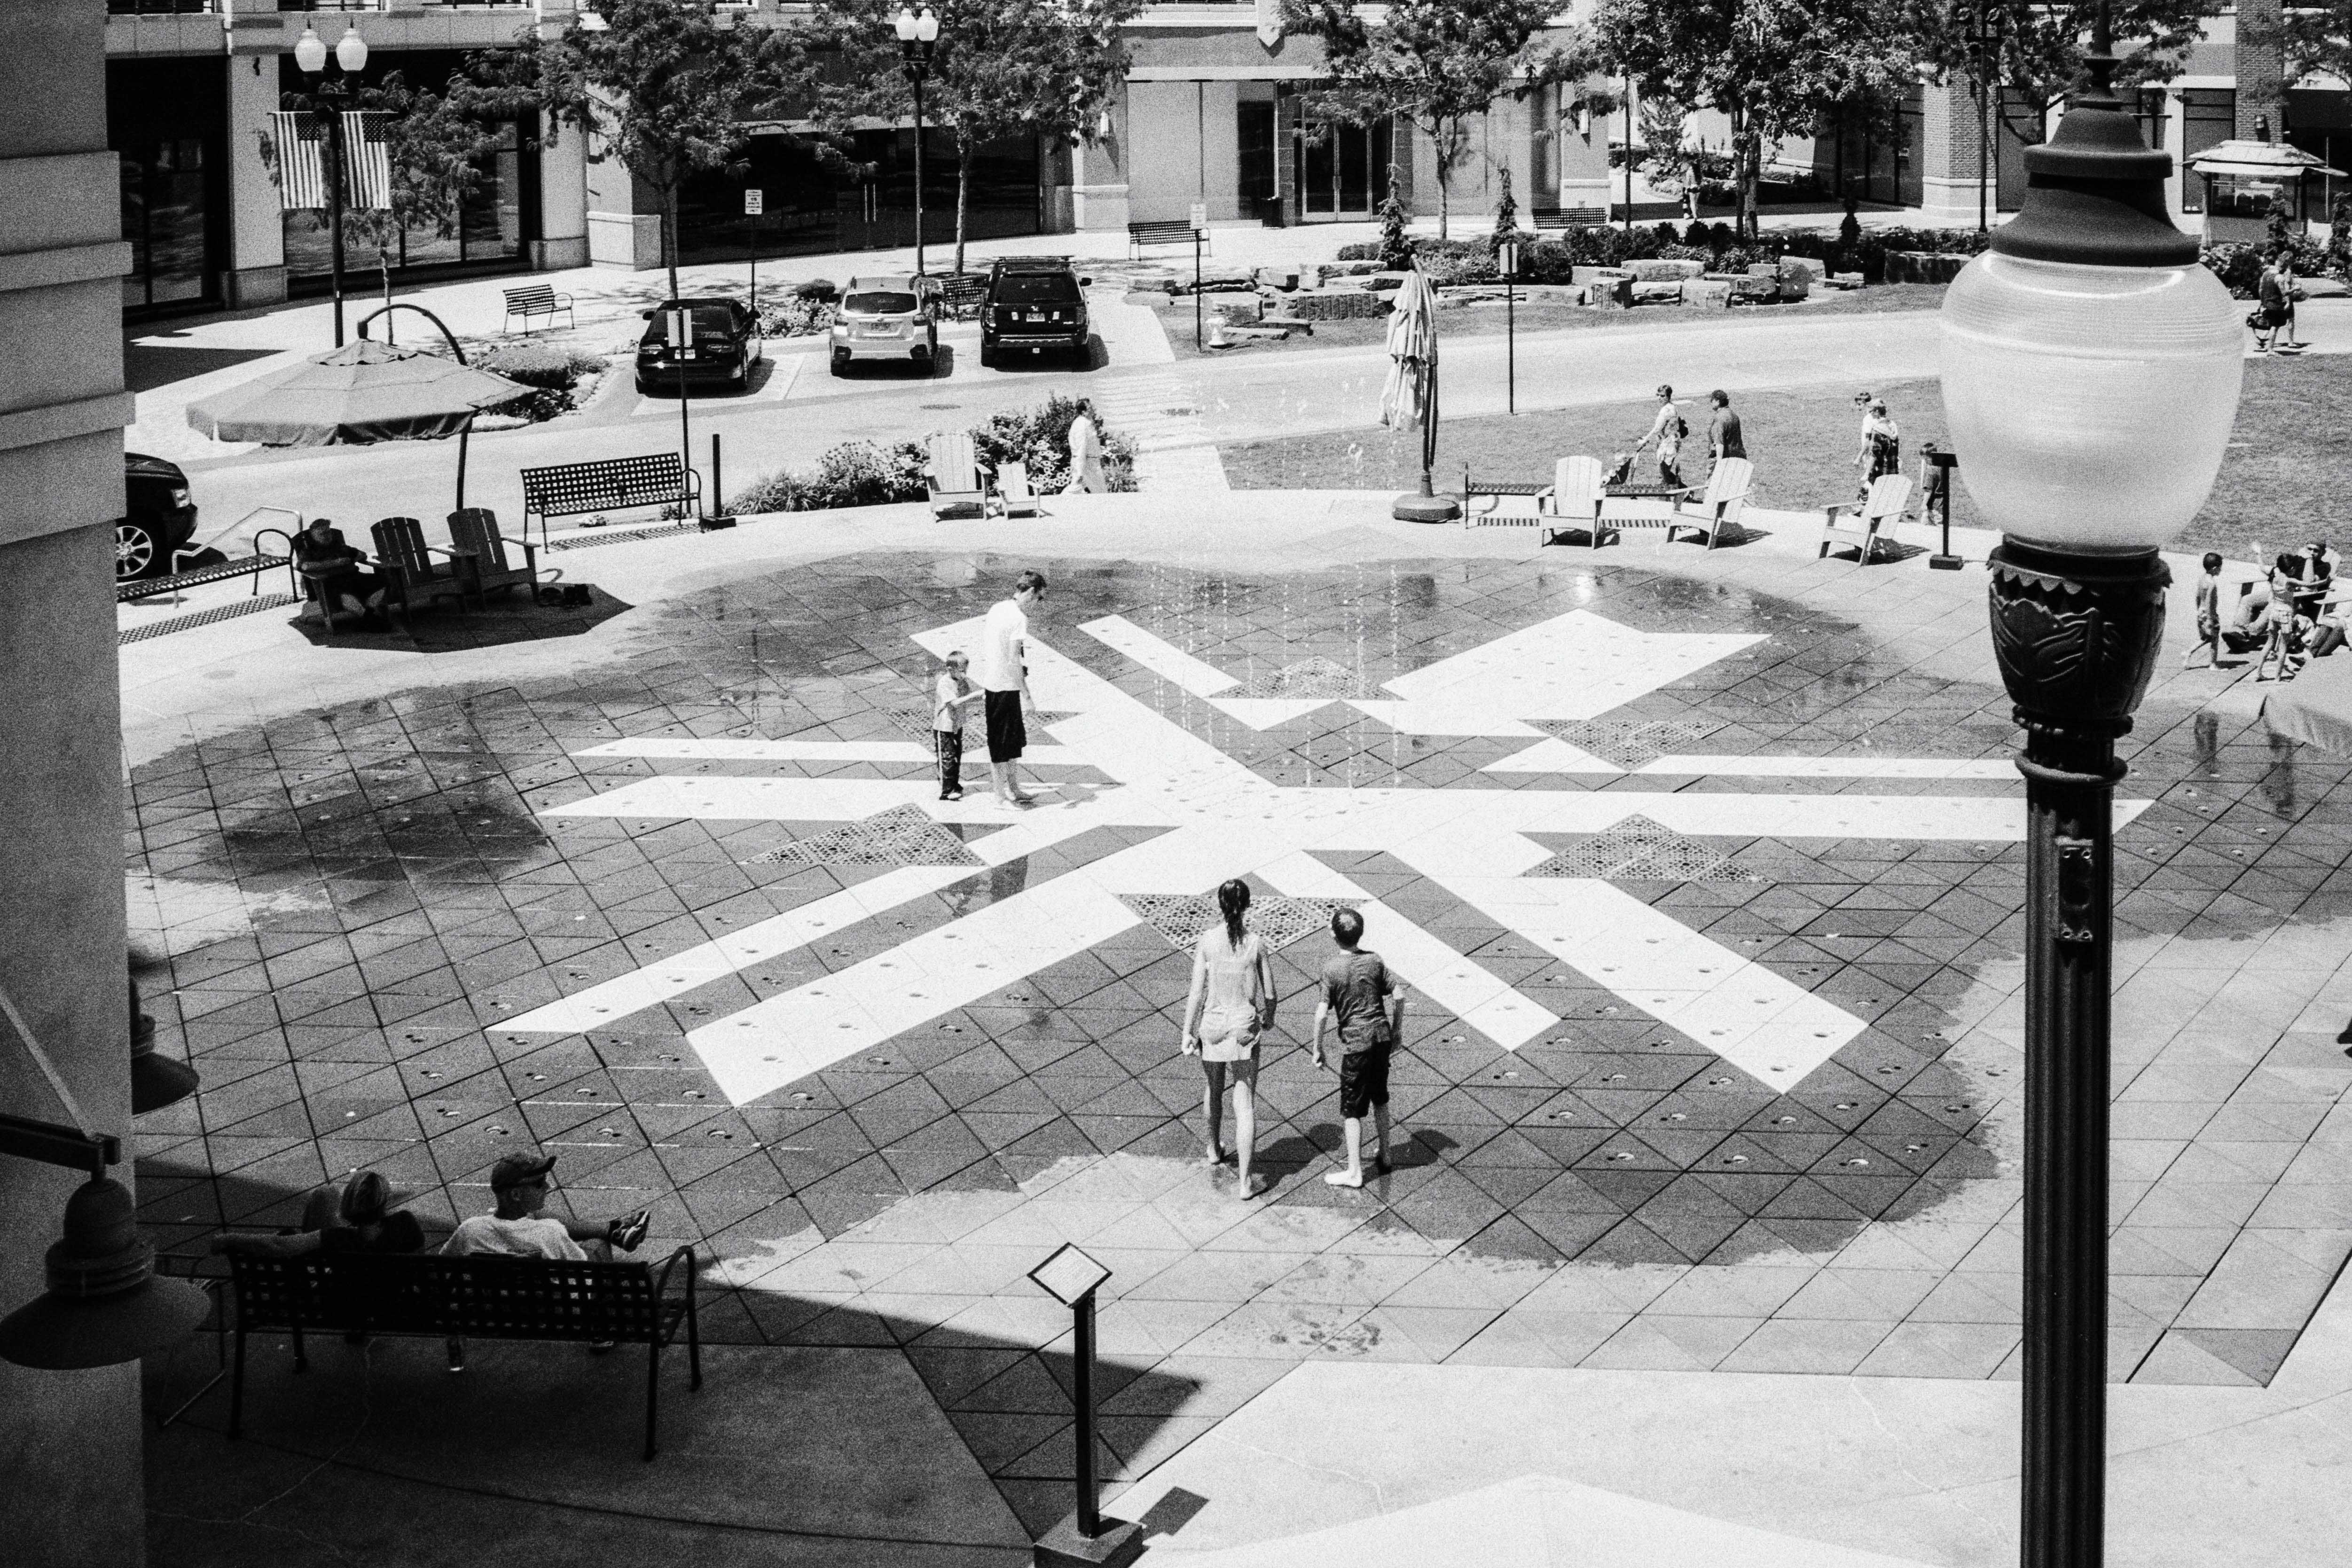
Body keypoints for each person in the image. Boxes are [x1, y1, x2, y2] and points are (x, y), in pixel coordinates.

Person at [1178, 879, 1279, 1200]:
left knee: (1213, 1089)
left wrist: (1187, 1032)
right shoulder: (1256, 944)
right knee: (1244, 1103)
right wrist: (1269, 1016)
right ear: (1247, 906)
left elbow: (1197, 991)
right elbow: (1271, 993)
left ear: (1220, 906)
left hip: (1213, 1025)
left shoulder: (1207, 941)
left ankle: (1213, 1147)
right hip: (1243, 1028)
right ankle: (1246, 1184)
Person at [1311, 907, 1407, 1189]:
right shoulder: (1374, 961)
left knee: (1352, 1109)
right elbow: (1399, 996)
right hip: (1381, 1037)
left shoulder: (1331, 969)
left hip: (1356, 1044)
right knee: (1380, 1096)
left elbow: (1321, 1014)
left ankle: (1354, 1172)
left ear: (1333, 935)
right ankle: (1386, 1154)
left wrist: (1317, 1048)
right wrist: (1397, 1030)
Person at [442, 1153, 650, 1262]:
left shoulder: (469, 1230)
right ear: (516, 1194)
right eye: (539, 1184)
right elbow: (584, 1280)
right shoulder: (550, 1231)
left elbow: (443, 1265)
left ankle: (616, 1230)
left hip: (491, 1314)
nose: (548, 1187)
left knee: (536, 1216)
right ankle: (601, 1330)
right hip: (555, 1314)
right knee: (596, 1245)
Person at [211, 1168, 425, 1258]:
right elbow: (422, 1265)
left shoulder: (335, 1238)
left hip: (346, 1306)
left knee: (326, 1193)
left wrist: (229, 1238)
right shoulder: (405, 1223)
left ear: (349, 1204)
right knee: (327, 1195)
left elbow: (279, 1247)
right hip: (392, 1304)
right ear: (383, 1203)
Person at [979, 570, 1048, 809]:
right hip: (1004, 688)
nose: (1039, 603)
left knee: (1012, 742)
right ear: (1030, 592)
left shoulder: (998, 608)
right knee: (1001, 745)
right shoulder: (1019, 618)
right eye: (1040, 597)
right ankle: (1000, 796)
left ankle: (1014, 788)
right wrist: (1027, 696)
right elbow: (1013, 661)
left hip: (994, 683)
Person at [290, 517, 387, 628]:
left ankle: (368, 616)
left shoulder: (339, 546)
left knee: (382, 581)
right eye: (322, 534)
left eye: (328, 532)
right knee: (343, 593)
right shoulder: (309, 551)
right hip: (330, 582)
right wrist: (334, 563)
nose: (327, 536)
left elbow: (362, 554)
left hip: (353, 577)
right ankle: (370, 620)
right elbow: (304, 566)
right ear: (314, 536)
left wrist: (353, 559)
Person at [933, 649, 982, 802]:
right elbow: (954, 703)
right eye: (961, 671)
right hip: (944, 727)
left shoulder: (961, 681)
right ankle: (946, 791)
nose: (964, 674)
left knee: (956, 756)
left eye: (965, 671)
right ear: (950, 669)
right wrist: (977, 695)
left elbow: (967, 698)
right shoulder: (944, 683)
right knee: (947, 757)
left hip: (956, 725)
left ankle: (953, 783)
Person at [1631, 384, 1686, 488]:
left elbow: (1657, 428)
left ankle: (1684, 491)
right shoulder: (1672, 407)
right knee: (1664, 472)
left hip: (1668, 445)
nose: (1659, 398)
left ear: (1668, 396)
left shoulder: (1666, 410)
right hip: (1671, 443)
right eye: (1658, 395)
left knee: (1663, 473)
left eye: (1662, 396)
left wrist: (1645, 439)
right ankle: (1674, 493)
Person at [2184, 552, 2225, 668]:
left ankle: (2189, 652)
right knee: (2215, 640)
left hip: (2201, 612)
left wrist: (2199, 611)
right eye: (2220, 568)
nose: (2221, 570)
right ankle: (2213, 664)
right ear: (2215, 569)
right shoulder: (2212, 584)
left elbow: (2197, 596)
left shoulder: (2202, 579)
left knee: (2206, 638)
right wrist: (2211, 619)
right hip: (2210, 614)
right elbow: (2209, 603)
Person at [1855, 398, 1900, 497]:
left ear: (1877, 412)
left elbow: (1874, 455)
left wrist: (1867, 473)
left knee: (1867, 494)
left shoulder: (1878, 431)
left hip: (1881, 471)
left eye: (1871, 411)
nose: (1870, 414)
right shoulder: (1892, 425)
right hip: (1893, 469)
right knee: (1888, 497)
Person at [1061, 400, 1107, 494]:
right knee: (1100, 492)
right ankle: (1055, 503)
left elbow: (1091, 445)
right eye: (1090, 409)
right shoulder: (1082, 425)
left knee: (1078, 489)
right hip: (1088, 464)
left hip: (1090, 462)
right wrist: (1080, 471)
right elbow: (1081, 449)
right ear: (1084, 412)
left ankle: (1057, 502)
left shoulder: (1085, 423)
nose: (1093, 410)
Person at [1706, 389, 1745, 471]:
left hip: (1724, 460)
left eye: (1712, 400)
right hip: (1738, 458)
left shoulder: (1720, 419)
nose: (1711, 403)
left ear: (1718, 402)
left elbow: (1719, 442)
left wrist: (1720, 464)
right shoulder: (1734, 415)